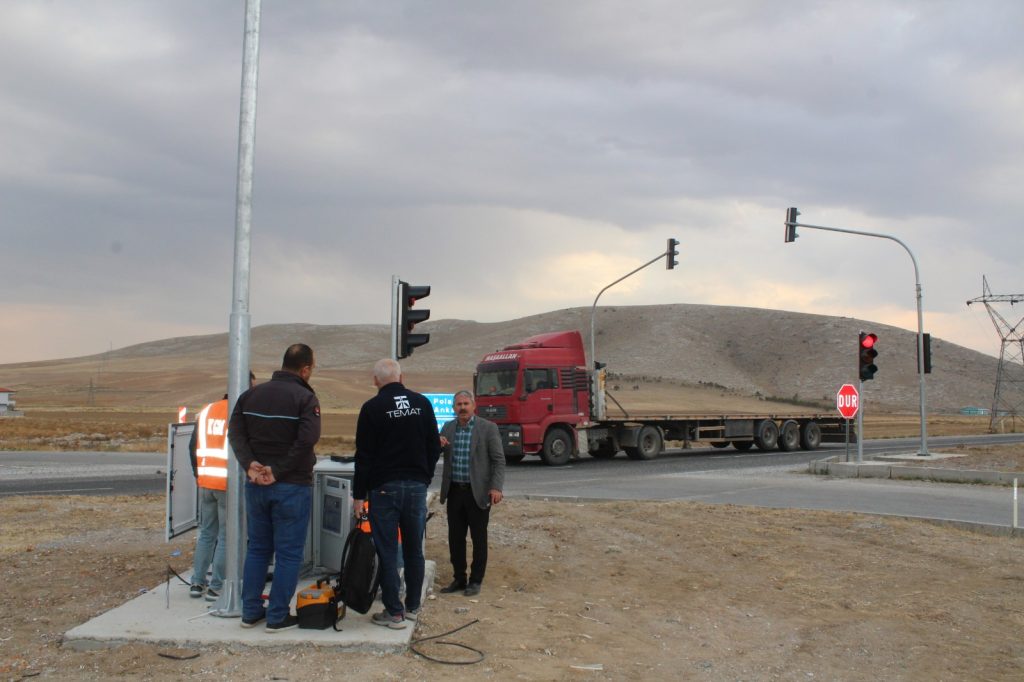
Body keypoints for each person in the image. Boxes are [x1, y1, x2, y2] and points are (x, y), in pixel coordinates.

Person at [229, 345, 320, 632]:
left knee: (257, 550)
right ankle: (278, 616)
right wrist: (277, 470)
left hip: (256, 486)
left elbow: (236, 433)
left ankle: (250, 612)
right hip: (291, 487)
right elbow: (307, 440)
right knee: (289, 554)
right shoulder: (305, 398)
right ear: (305, 369)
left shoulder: (250, 395)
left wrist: (249, 464)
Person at [353, 358, 440, 630]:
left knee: (387, 550)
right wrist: (424, 476)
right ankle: (413, 605)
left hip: (383, 489)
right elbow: (433, 445)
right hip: (415, 487)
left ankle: (395, 612)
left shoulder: (371, 408)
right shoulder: (421, 403)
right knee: (414, 549)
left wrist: (359, 496)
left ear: (375, 380)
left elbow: (364, 456)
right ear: (401, 377)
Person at [187, 371, 255, 602]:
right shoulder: (240, 413)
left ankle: (197, 582)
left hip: (206, 482)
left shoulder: (207, 410)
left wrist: (199, 474)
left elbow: (191, 446)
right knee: (227, 535)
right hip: (228, 484)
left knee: (207, 533)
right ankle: (216, 586)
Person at [438, 390, 505, 597]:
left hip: (478, 493)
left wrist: (496, 487)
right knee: (455, 538)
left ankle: (476, 580)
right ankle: (459, 578)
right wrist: (436, 445)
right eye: (459, 404)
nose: (463, 408)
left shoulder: (488, 428)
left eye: (466, 403)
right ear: (453, 408)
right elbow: (436, 453)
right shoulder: (448, 428)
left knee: (478, 538)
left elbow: (498, 460)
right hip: (455, 492)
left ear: (474, 406)